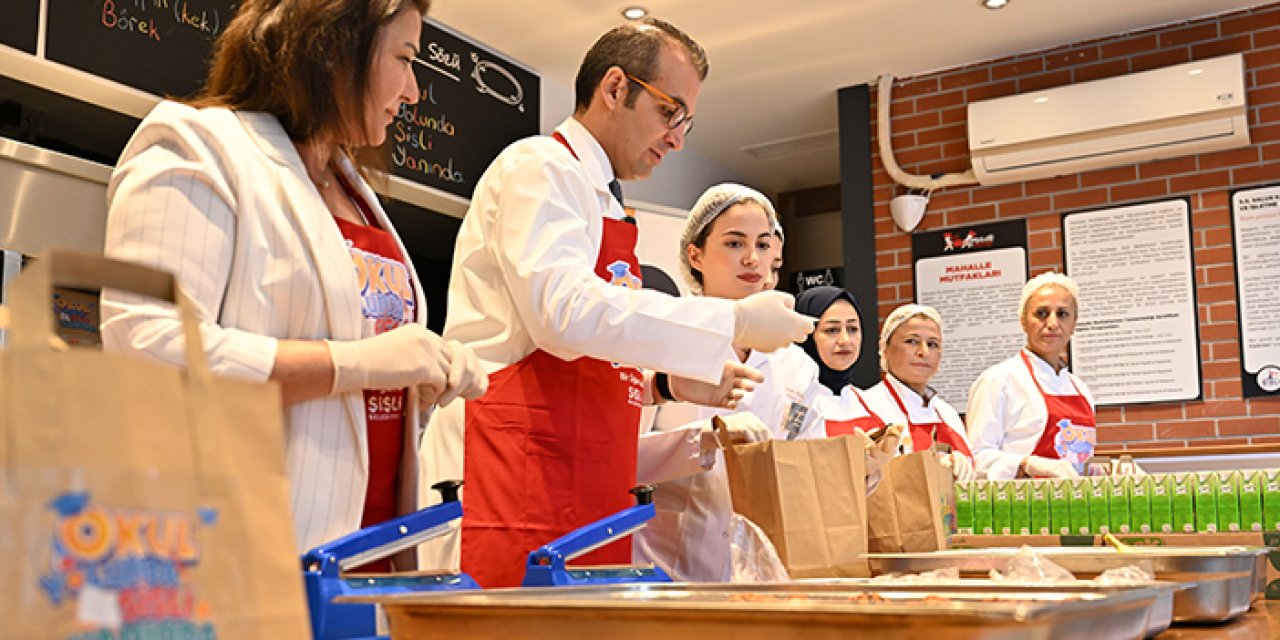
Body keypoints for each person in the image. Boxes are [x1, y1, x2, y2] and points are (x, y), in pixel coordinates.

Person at [421, 21, 814, 587]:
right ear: (613, 88)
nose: (678, 138)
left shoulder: (607, 203)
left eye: (687, 121)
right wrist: (733, 317)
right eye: (669, 112)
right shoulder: (540, 167)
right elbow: (562, 314)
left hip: (584, 471)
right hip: (511, 458)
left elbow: (588, 354)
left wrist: (665, 387)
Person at [100, 0, 487, 564]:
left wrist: (417, 382)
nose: (413, 91)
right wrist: (358, 364)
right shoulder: (198, 144)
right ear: (332, 48)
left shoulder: (352, 188)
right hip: (247, 561)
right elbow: (149, 351)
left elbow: (347, 392)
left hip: (371, 556)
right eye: (404, 59)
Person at [633, 183, 826, 582]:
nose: (752, 259)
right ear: (696, 254)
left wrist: (857, 472)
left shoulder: (796, 364)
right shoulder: (660, 336)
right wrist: (701, 439)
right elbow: (617, 458)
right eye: (735, 244)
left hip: (766, 568)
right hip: (670, 565)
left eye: (763, 244)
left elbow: (807, 465)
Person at [967, 272, 1095, 480]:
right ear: (1023, 321)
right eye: (1042, 313)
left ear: (1074, 324)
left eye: (1062, 314)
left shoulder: (1080, 388)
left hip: (1074, 508)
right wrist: (1027, 464)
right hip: (1019, 507)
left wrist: (1104, 469)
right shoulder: (998, 380)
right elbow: (976, 458)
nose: (1052, 323)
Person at [861, 304, 976, 482]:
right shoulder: (865, 406)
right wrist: (936, 465)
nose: (924, 352)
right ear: (885, 349)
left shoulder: (947, 414)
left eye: (933, 344)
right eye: (912, 341)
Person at [795, 286, 884, 435]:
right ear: (806, 335)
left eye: (852, 329)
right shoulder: (795, 405)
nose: (845, 340)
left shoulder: (873, 403)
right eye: (832, 330)